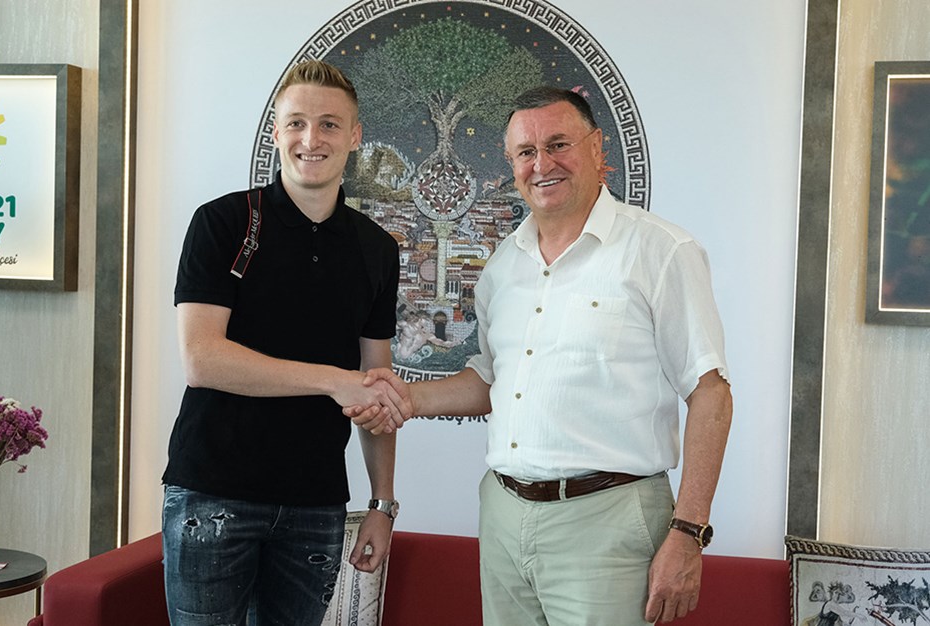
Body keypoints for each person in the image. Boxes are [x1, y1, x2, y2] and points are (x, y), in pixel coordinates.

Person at [347, 86, 733, 625]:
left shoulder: (661, 251)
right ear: (511, 165)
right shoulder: (504, 263)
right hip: (504, 517)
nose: (542, 164)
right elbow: (491, 380)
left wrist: (689, 531)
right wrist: (405, 398)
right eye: (526, 152)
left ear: (597, 147)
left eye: (558, 145)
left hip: (609, 520)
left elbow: (711, 393)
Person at [162, 60, 407, 626]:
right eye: (296, 123)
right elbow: (202, 359)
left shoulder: (377, 249)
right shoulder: (224, 222)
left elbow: (375, 389)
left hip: (316, 505)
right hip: (212, 494)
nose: (311, 139)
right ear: (276, 132)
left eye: (329, 124)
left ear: (355, 136)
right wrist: (333, 380)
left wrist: (382, 504)